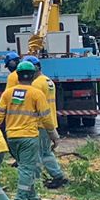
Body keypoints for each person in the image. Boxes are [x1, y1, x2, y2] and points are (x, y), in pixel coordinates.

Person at [0, 60, 58, 200]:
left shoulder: (8, 93)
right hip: (29, 137)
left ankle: (33, 199)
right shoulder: (37, 94)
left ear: (17, 75)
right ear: (32, 75)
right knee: (26, 170)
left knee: (25, 168)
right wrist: (53, 135)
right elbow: (46, 117)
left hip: (12, 137)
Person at [22, 56, 68, 189]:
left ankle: (43, 179)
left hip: (40, 123)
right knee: (46, 152)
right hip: (49, 121)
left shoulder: (36, 84)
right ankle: (57, 175)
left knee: (38, 154)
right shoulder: (48, 81)